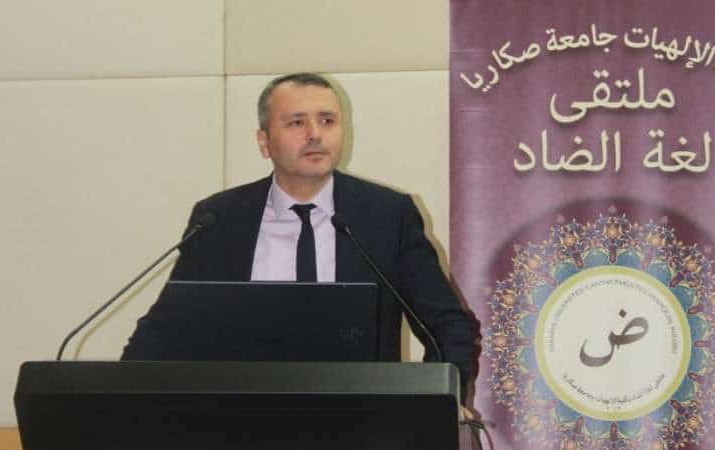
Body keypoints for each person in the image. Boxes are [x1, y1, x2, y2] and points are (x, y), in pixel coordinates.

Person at [121, 73, 476, 395]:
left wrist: (441, 399)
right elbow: (164, 331)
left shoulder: (387, 215)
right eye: (296, 122)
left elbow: (448, 326)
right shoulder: (219, 220)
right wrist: (120, 398)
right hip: (240, 422)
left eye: (327, 120)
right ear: (264, 142)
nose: (315, 134)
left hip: (364, 423)